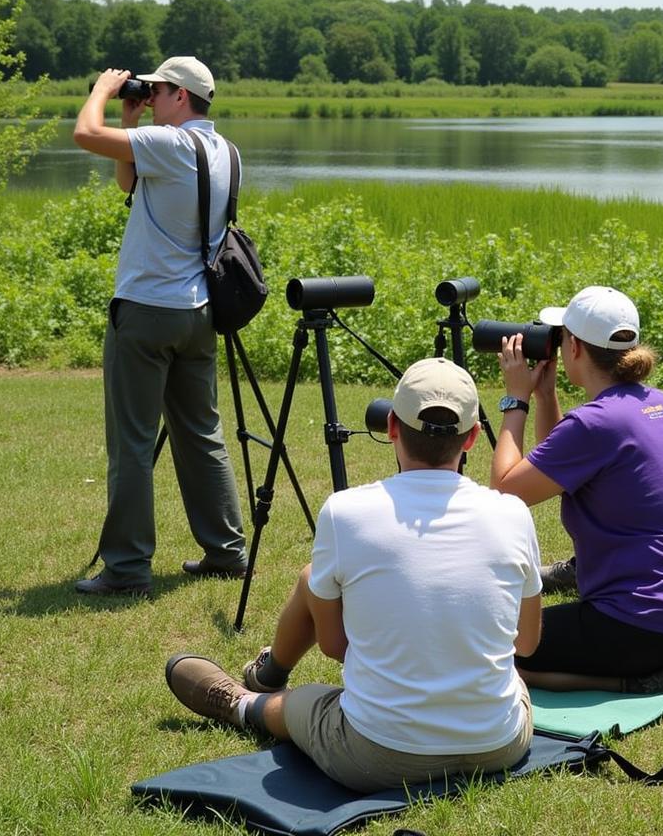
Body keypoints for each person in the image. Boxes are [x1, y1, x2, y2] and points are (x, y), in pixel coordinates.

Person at [165, 358, 542, 793]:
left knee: (302, 702)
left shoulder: (346, 512)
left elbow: (333, 646)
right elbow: (527, 643)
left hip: (379, 756)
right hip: (500, 745)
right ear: (473, 436)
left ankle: (243, 702)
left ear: (391, 427)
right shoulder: (512, 512)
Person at [491, 285, 663, 694]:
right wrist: (546, 394)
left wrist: (515, 399)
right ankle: (654, 666)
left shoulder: (595, 423)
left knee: (499, 647)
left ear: (573, 348)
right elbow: (560, 463)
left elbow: (505, 490)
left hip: (645, 625)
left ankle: (641, 680)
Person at [72, 56, 247, 597]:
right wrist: (133, 120)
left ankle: (126, 567)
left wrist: (103, 89)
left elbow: (84, 133)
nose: (151, 96)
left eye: (159, 89)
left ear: (180, 96)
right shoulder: (224, 152)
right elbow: (129, 182)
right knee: (201, 434)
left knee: (131, 440)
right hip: (198, 315)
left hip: (147, 311)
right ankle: (225, 551)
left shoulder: (170, 146)